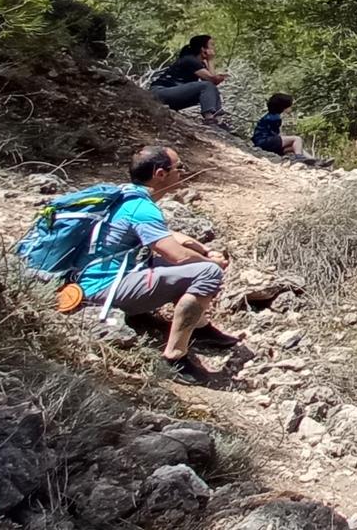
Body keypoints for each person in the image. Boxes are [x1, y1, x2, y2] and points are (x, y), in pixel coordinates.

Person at [76, 145, 239, 384]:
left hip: (94, 277)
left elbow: (170, 237)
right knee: (207, 272)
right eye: (179, 168)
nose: (182, 173)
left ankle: (198, 327)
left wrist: (204, 250)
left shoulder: (126, 196)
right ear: (160, 174)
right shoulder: (142, 209)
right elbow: (177, 256)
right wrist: (210, 261)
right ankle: (175, 357)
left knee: (190, 263)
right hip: (104, 288)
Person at [150, 34, 228, 128]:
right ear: (203, 48)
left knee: (212, 89)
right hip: (160, 92)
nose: (214, 48)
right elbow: (212, 80)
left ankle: (218, 118)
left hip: (173, 95)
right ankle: (209, 119)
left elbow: (212, 84)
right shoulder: (189, 60)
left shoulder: (200, 63)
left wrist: (208, 62)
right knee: (206, 86)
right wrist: (211, 60)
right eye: (212, 45)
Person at [252, 93, 309, 160]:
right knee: (297, 139)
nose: (291, 108)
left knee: (296, 146)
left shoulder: (270, 116)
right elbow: (274, 134)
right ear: (283, 107)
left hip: (261, 142)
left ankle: (312, 159)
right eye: (289, 106)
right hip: (265, 141)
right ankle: (299, 157)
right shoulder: (275, 118)